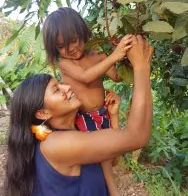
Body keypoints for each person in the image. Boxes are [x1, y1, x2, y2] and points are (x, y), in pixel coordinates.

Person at [4, 35, 153, 196]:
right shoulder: (55, 144)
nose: (66, 87)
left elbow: (111, 158)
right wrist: (141, 66)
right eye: (56, 90)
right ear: (42, 113)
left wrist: (113, 117)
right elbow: (137, 137)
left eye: (60, 83)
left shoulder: (75, 128)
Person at [42, 7, 133, 195]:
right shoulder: (65, 63)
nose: (70, 49)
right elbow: (85, 77)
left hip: (104, 114)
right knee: (104, 158)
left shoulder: (97, 55)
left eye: (74, 40)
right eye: (61, 46)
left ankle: (107, 187)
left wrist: (126, 59)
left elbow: (116, 76)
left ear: (83, 32)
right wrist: (115, 55)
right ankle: (113, 191)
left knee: (112, 153)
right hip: (84, 118)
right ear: (55, 49)